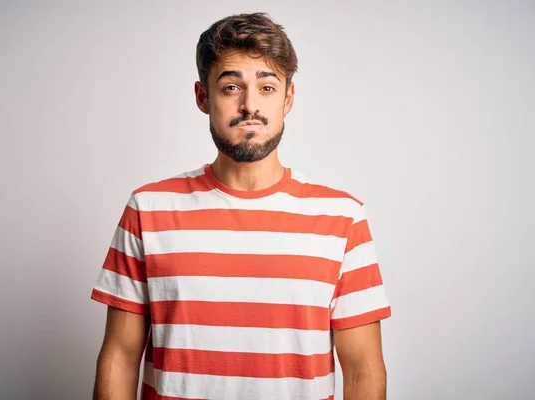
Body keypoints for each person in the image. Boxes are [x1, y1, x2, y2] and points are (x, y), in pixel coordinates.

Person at [91, 12, 392, 400]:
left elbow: (364, 370)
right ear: (203, 97)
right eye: (232, 87)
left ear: (288, 98)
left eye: (267, 87)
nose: (250, 105)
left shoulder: (342, 218)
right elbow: (120, 355)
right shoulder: (148, 209)